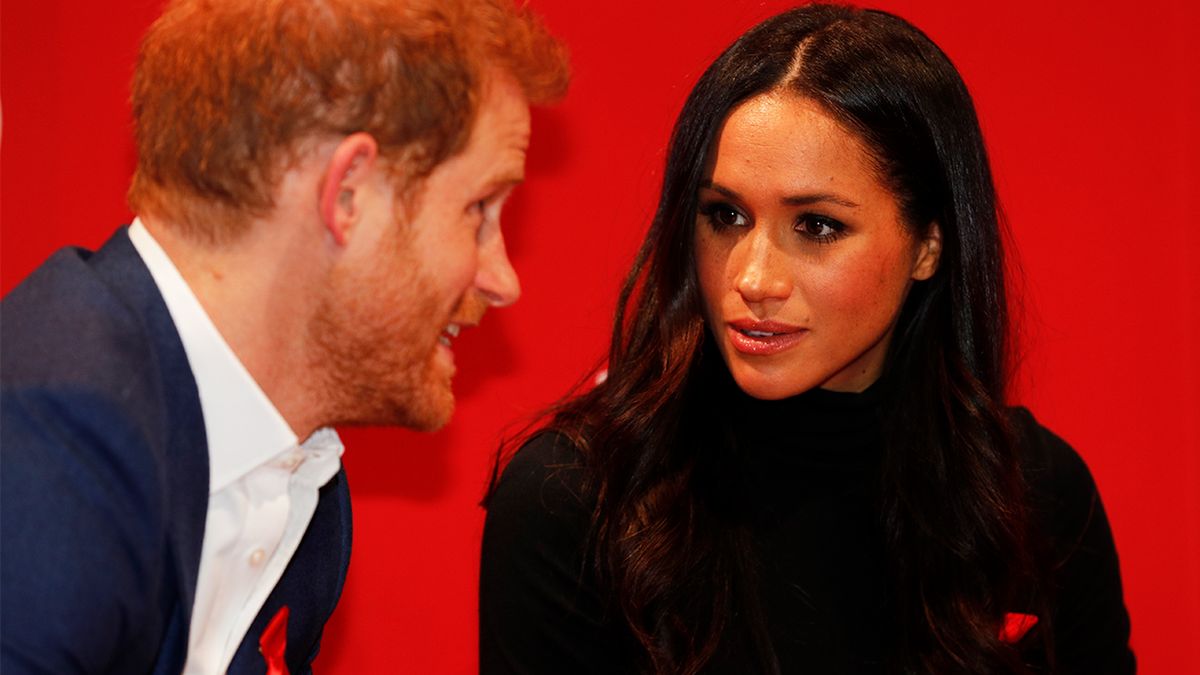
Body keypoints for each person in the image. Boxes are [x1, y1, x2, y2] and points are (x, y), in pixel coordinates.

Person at [480, 5, 1133, 674]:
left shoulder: (1031, 495)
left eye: (817, 226)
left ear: (928, 244)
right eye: (725, 215)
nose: (753, 276)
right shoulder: (573, 501)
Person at [0, 0, 567, 673]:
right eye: (478, 210)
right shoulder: (48, 442)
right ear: (348, 193)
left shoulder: (308, 496)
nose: (503, 280)